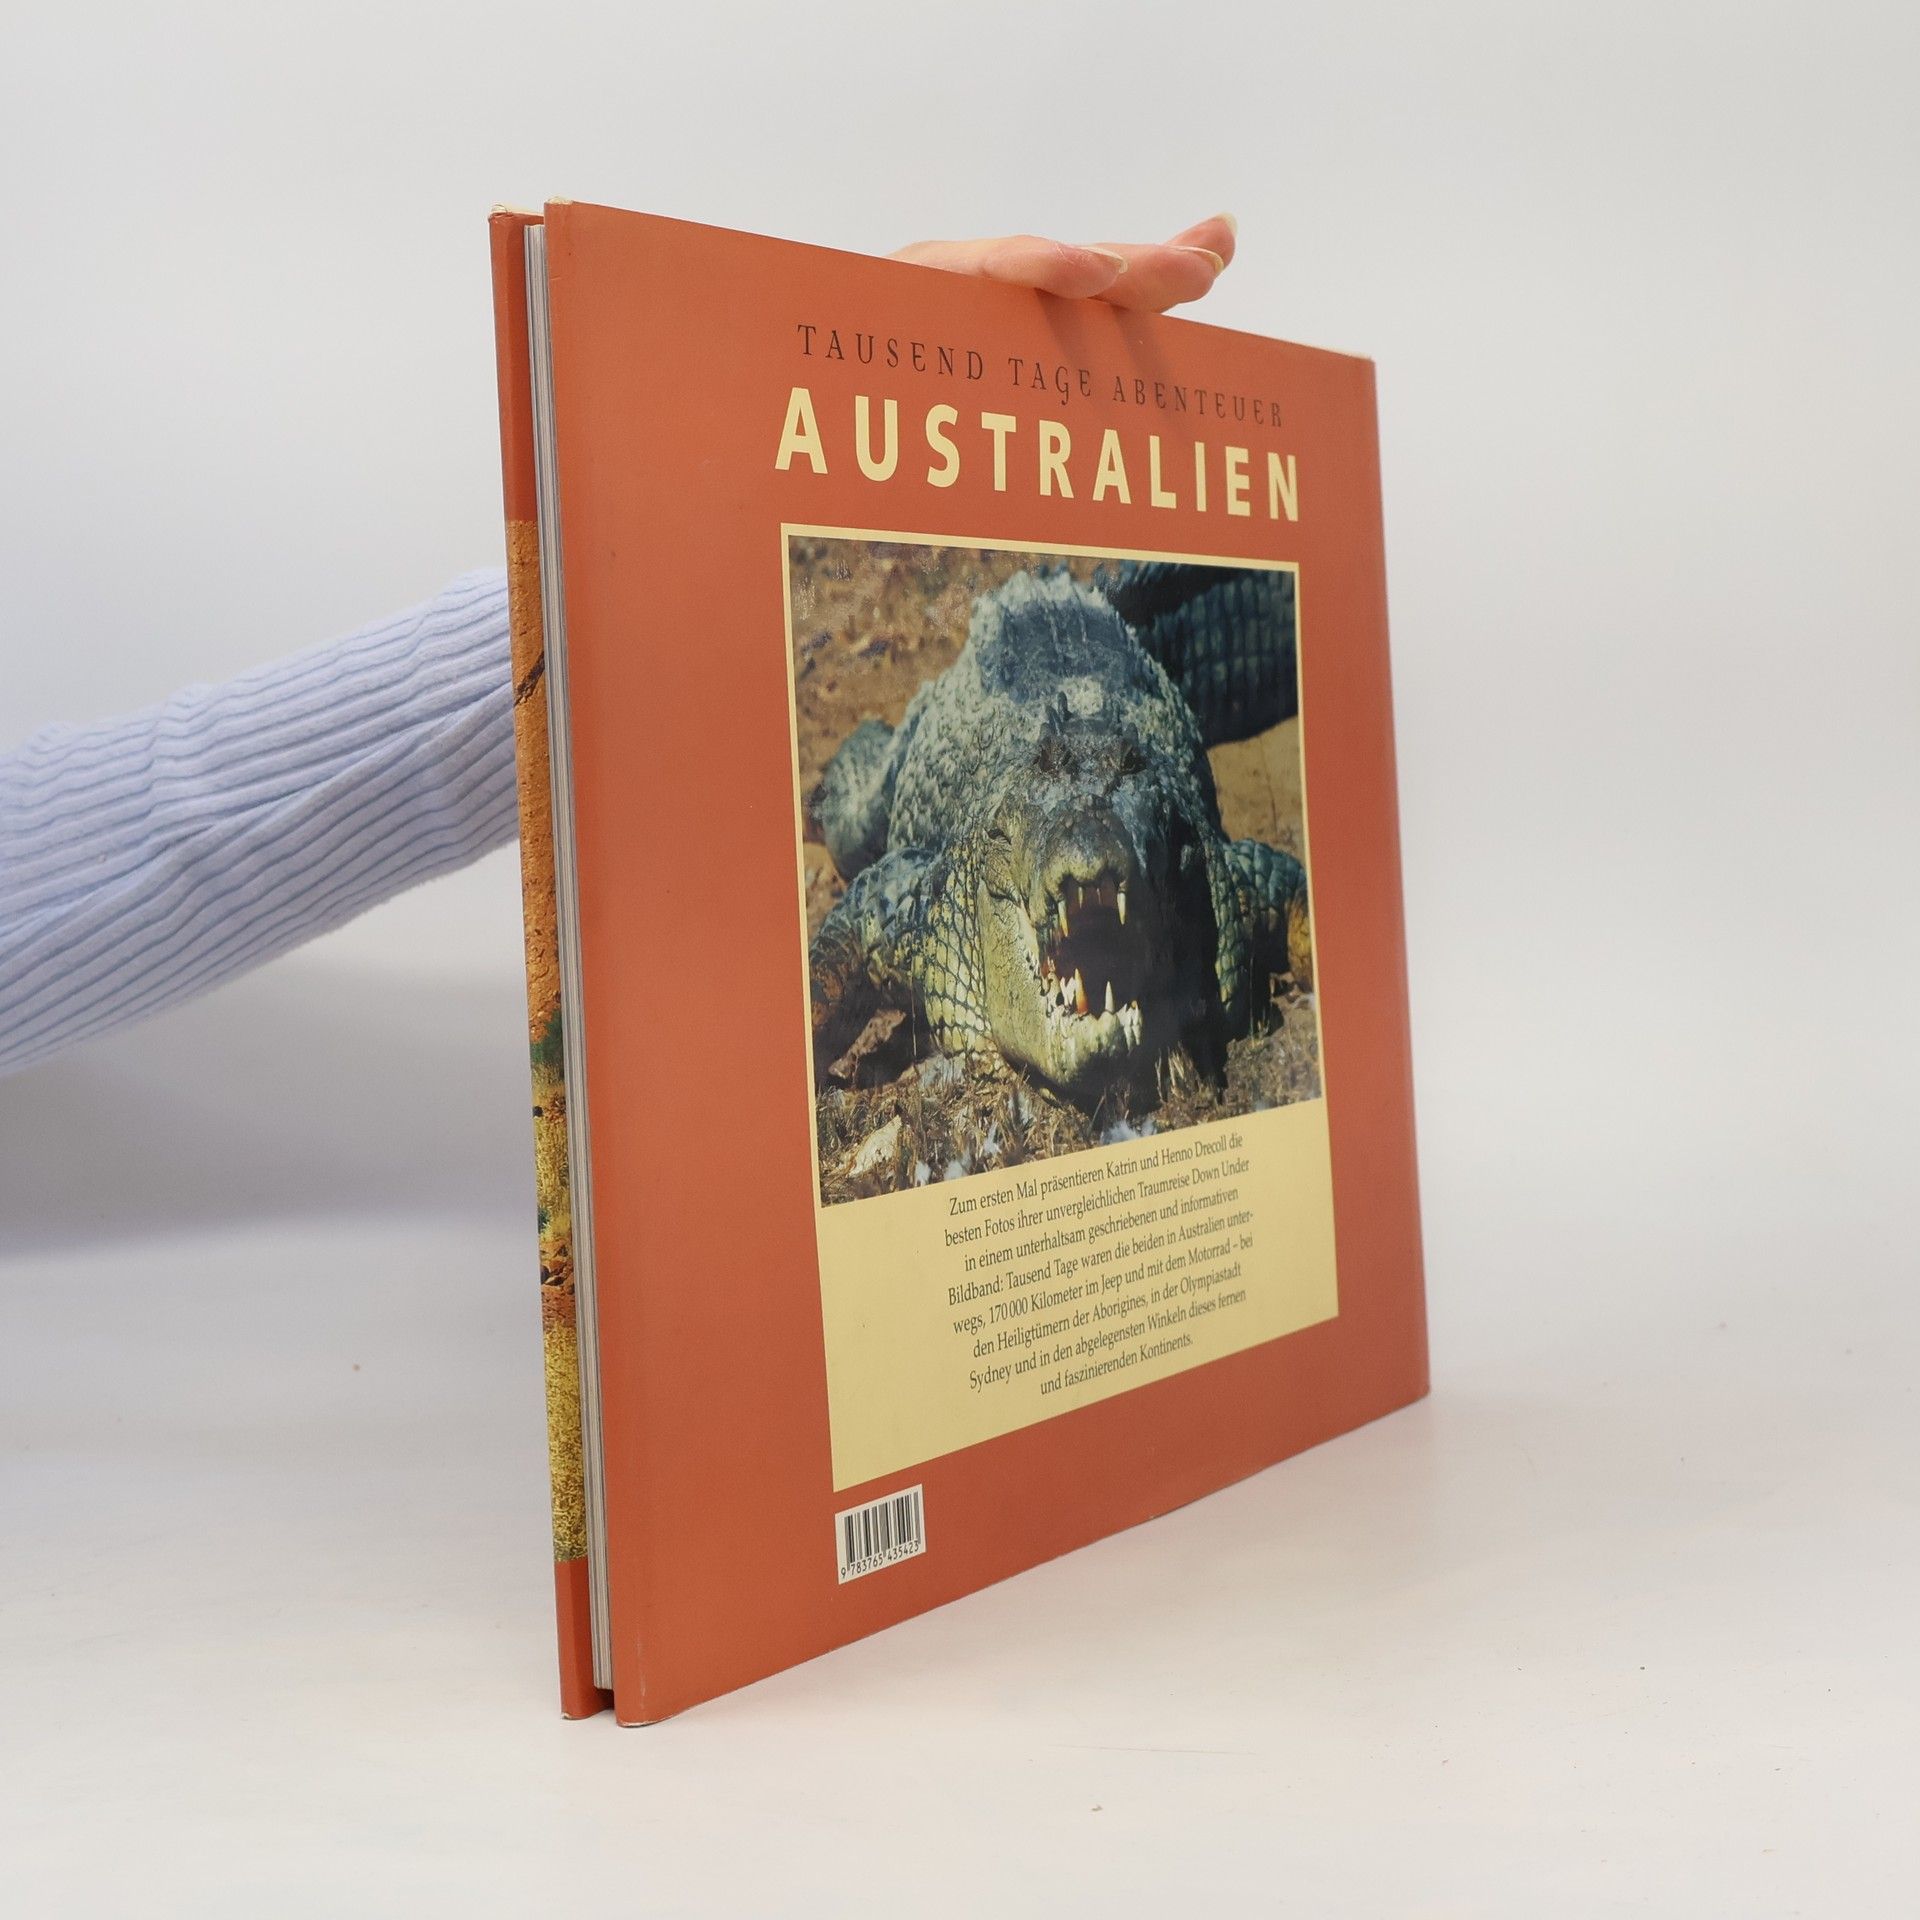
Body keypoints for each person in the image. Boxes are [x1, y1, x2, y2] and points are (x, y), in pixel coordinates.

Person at [0, 217, 1237, 1079]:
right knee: (857, 807)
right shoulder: (938, 886)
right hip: (983, 732)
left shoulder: (1175, 848)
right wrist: (650, 562)